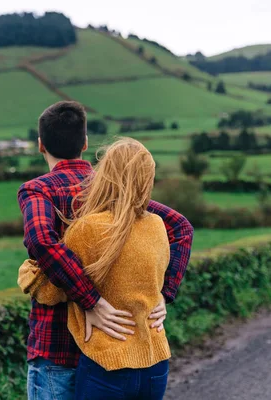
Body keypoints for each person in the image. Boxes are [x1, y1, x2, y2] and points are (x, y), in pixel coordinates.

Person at [17, 101, 193, 400]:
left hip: (56, 346)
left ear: (40, 145)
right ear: (85, 143)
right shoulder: (114, 188)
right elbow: (181, 228)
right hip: (117, 345)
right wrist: (164, 293)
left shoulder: (39, 190)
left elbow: (42, 242)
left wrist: (92, 301)